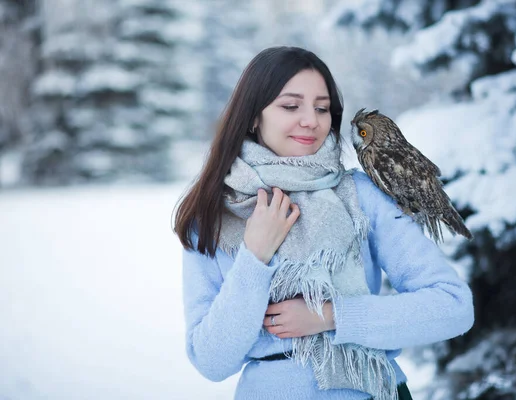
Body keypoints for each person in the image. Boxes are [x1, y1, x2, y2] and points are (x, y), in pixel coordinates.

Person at [173, 46, 474, 400]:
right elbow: (211, 360)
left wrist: (333, 316)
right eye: (290, 106)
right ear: (253, 117)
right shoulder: (213, 214)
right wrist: (254, 257)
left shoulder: (362, 195)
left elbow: (452, 307)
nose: (311, 121)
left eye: (322, 108)